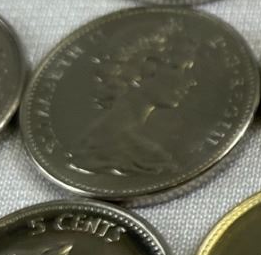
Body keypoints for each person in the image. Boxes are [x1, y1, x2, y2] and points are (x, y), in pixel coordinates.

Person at [70, 27, 200, 178]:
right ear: (148, 68)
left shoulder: (133, 145)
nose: (191, 81)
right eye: (179, 68)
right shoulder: (127, 151)